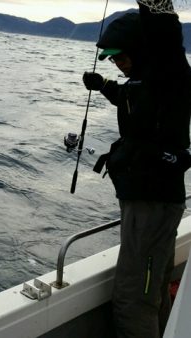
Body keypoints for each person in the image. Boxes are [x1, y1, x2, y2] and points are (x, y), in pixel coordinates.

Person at [82, 1, 191, 337]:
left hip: (153, 205)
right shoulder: (144, 84)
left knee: (133, 300)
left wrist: (153, 4)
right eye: (114, 60)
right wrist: (103, 86)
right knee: (153, 289)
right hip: (146, 204)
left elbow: (165, 30)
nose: (118, 65)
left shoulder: (170, 74)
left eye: (122, 58)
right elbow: (130, 97)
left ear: (144, 50)